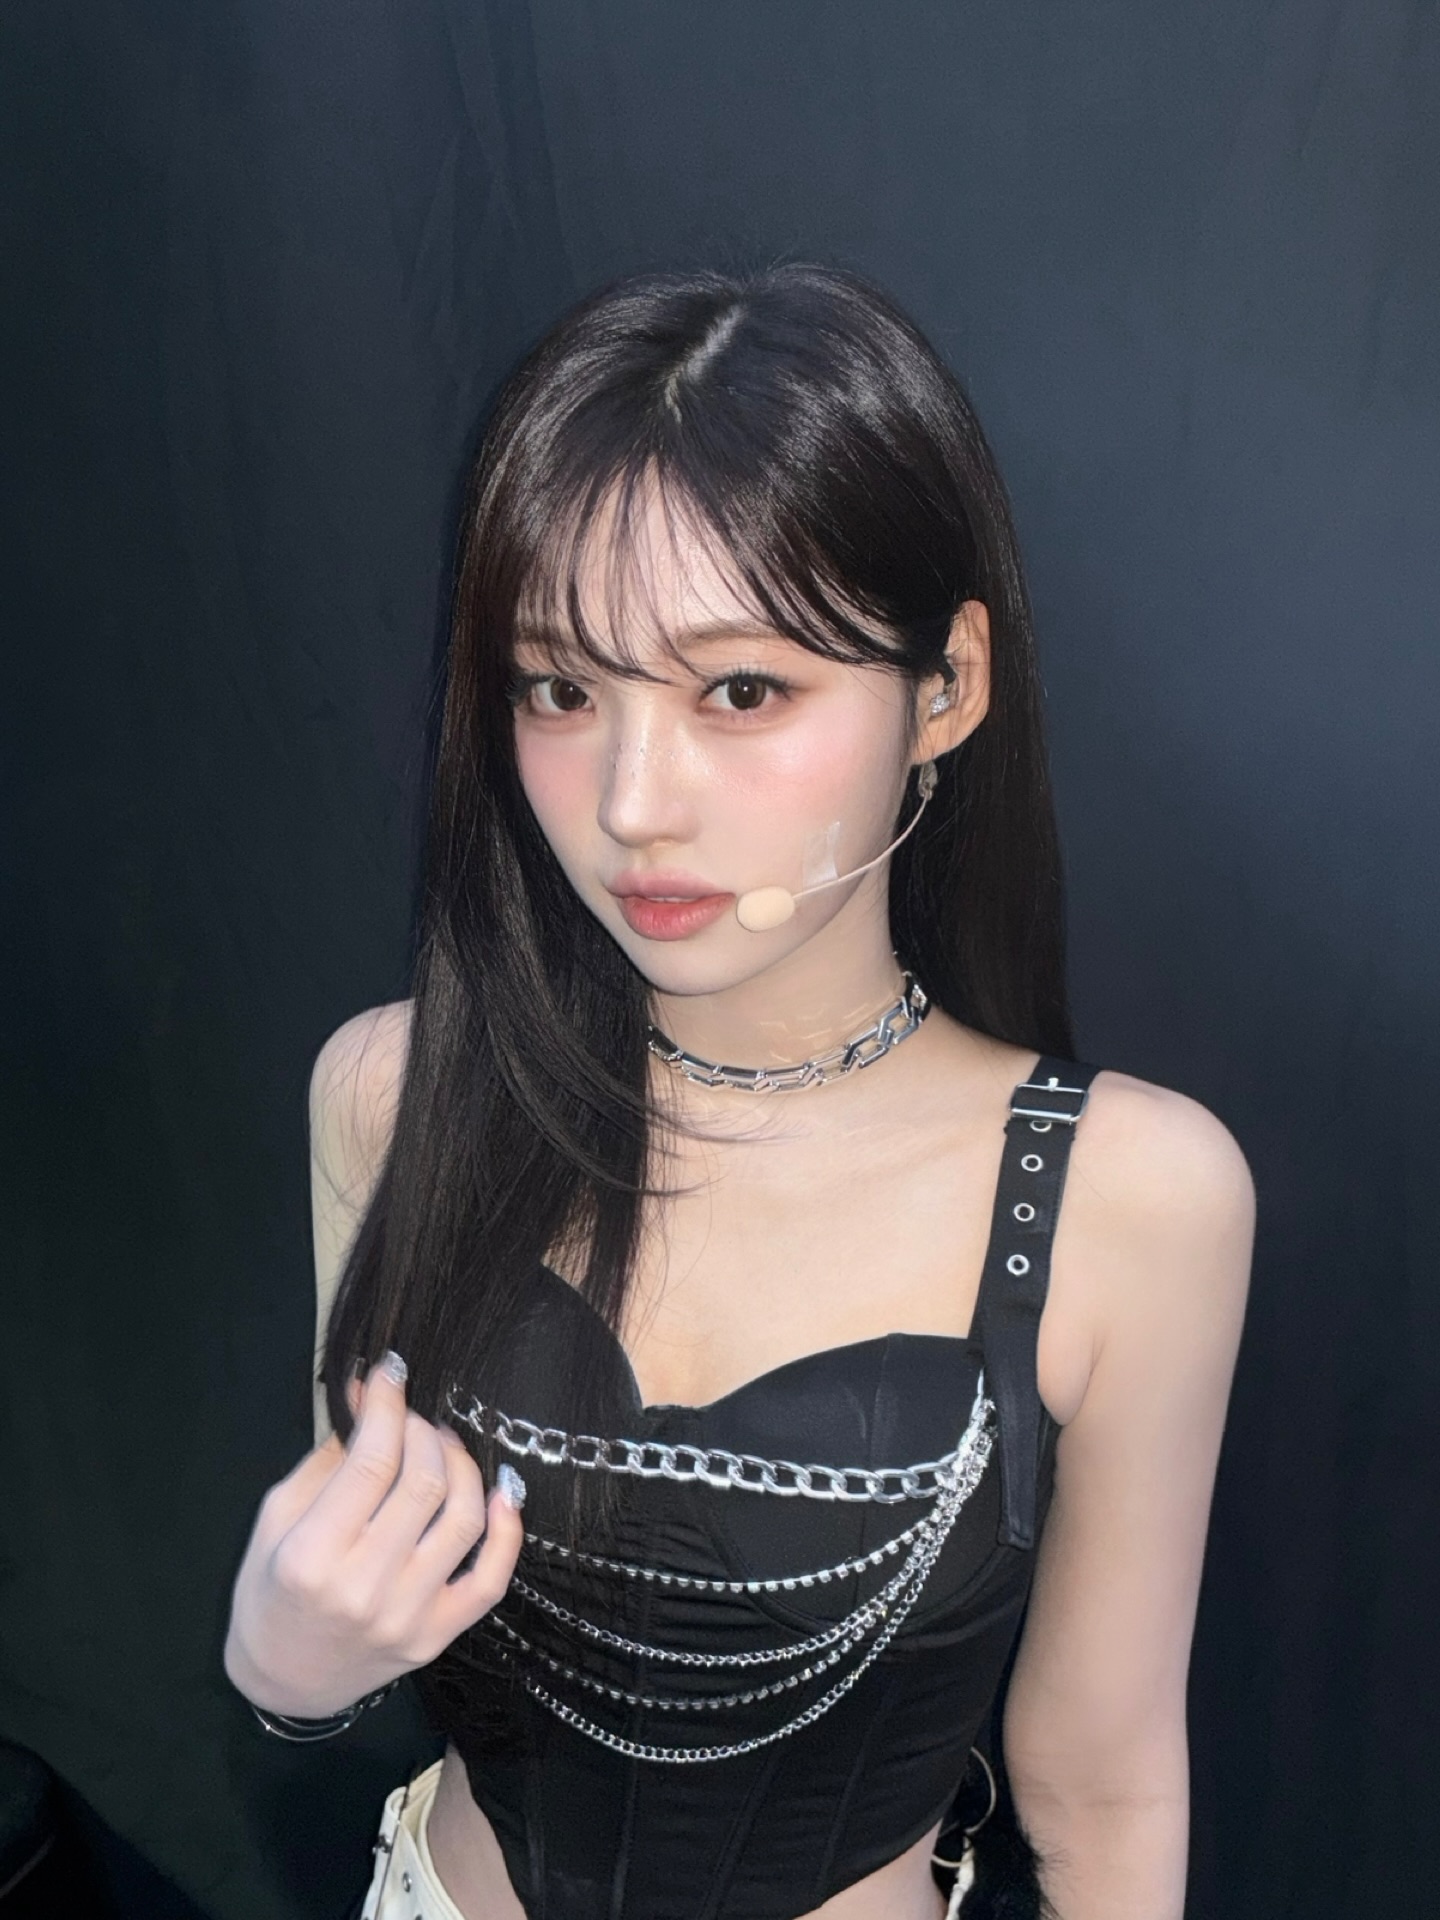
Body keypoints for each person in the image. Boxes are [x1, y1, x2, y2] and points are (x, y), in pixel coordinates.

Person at [224, 264, 1254, 1920]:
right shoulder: (391, 1093)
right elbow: (352, 1608)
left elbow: (1103, 1782)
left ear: (946, 687)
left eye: (743, 690)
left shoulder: (1128, 1197)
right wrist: (284, 1668)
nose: (634, 803)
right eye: (563, 690)